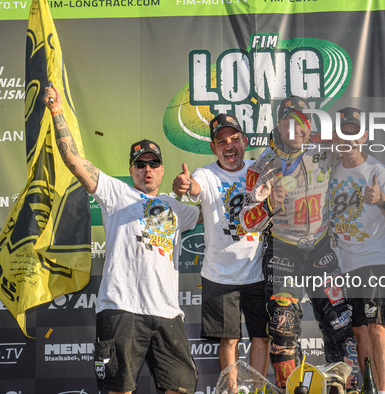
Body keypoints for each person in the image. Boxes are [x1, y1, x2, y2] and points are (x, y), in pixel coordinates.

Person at [43, 84, 199, 394]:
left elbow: (219, 211)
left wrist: (194, 189)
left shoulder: (177, 207)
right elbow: (74, 160)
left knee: (181, 388)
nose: (147, 170)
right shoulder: (116, 193)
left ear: (162, 168)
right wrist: (57, 112)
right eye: (140, 164)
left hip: (167, 312)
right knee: (119, 390)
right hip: (121, 308)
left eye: (153, 163)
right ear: (131, 169)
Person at [239, 97, 358, 391]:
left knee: (341, 324)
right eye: (289, 121)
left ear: (309, 126)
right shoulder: (261, 167)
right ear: (279, 125)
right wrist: (268, 204)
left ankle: (345, 387)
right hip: (283, 251)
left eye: (302, 122)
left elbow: (358, 157)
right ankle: (294, 389)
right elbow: (245, 222)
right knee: (283, 328)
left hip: (321, 248)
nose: (296, 129)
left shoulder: (324, 152)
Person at [172, 114, 270, 378]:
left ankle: (258, 389)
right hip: (220, 274)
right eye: (221, 141)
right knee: (228, 341)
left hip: (258, 272)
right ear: (213, 148)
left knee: (262, 338)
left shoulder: (258, 171)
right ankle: (232, 390)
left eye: (235, 139)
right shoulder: (206, 174)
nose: (229, 145)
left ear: (245, 142)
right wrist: (185, 185)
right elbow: (194, 188)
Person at [328, 107, 385, 394]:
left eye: (354, 132)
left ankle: (384, 391)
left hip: (376, 262)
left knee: (377, 327)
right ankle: (369, 389)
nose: (349, 137)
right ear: (336, 136)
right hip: (344, 264)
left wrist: (382, 199)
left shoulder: (377, 171)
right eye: (343, 132)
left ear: (364, 136)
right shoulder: (331, 169)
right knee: (359, 331)